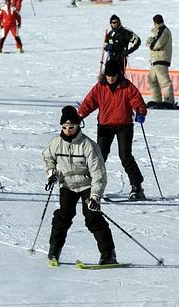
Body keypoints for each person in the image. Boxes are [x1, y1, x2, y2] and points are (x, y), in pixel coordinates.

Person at [43, 106, 117, 266]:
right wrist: (51, 171)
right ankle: (54, 252)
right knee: (63, 216)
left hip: (86, 185)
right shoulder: (56, 143)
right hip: (67, 184)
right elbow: (47, 157)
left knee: (92, 217)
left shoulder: (88, 145)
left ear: (78, 126)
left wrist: (95, 196)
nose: (68, 131)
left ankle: (108, 254)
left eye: (71, 127)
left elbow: (99, 172)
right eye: (64, 127)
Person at [77, 59, 148, 200]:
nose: (111, 78)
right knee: (100, 156)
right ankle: (94, 187)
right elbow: (89, 102)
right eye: (108, 75)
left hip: (124, 125)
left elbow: (137, 100)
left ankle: (137, 187)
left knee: (125, 156)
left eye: (113, 75)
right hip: (105, 126)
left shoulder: (127, 86)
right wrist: (79, 115)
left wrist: (140, 112)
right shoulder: (99, 87)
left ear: (119, 74)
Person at [145, 14, 177, 110]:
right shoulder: (159, 31)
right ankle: (156, 100)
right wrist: (152, 40)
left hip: (161, 59)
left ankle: (169, 101)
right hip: (155, 60)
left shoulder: (164, 30)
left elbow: (157, 45)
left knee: (164, 82)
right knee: (152, 81)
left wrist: (151, 44)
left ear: (155, 22)